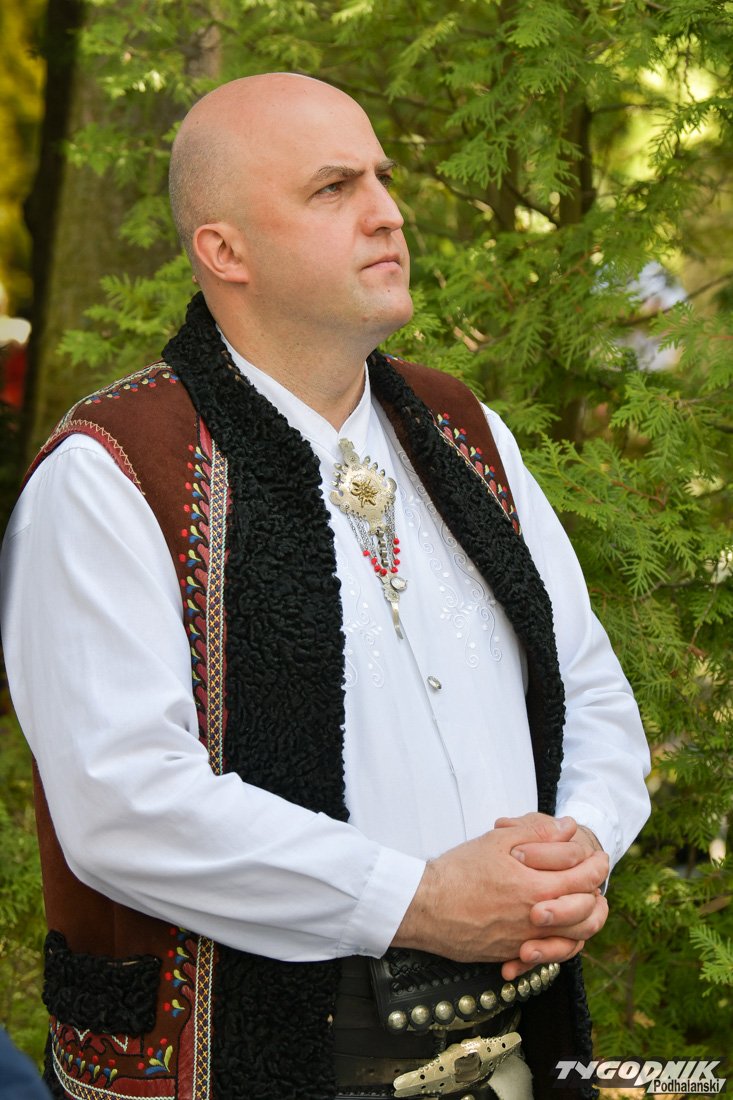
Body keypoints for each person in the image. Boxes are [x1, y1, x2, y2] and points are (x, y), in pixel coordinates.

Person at [0, 73, 650, 1100]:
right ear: (225, 251)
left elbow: (590, 690)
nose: (388, 213)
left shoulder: (462, 430)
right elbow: (124, 802)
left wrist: (582, 849)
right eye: (333, 188)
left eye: (382, 179)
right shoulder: (113, 471)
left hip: (510, 1055)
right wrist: (414, 900)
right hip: (255, 1066)